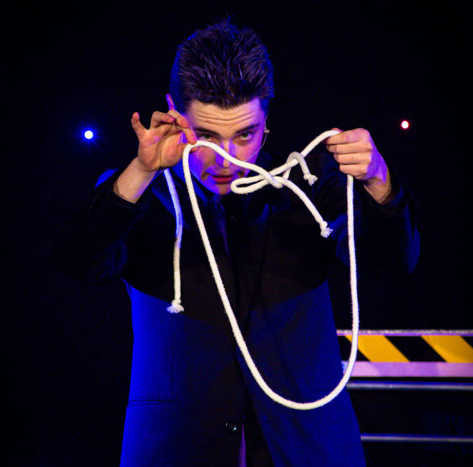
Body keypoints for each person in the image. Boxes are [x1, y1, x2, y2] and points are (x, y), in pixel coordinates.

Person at [57, 18, 419, 466]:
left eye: (245, 134)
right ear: (173, 113)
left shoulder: (306, 187)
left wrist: (379, 180)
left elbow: (393, 261)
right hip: (176, 451)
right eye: (207, 135)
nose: (226, 158)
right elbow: (78, 260)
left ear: (266, 119)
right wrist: (142, 170)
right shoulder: (142, 194)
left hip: (307, 449)